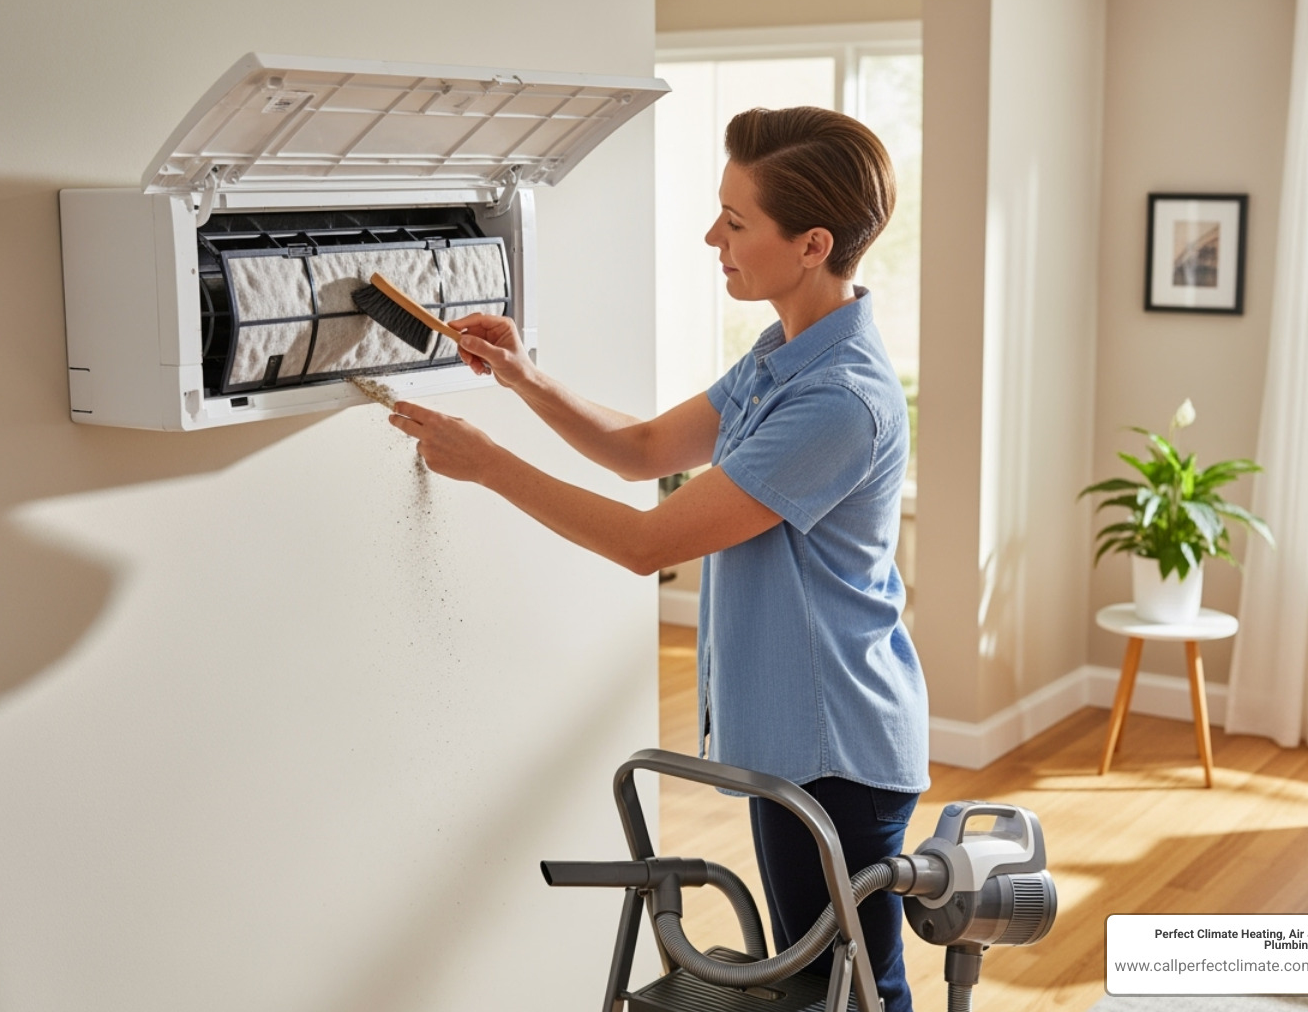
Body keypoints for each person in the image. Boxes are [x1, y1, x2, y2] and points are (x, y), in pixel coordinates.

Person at [387, 106, 928, 1011]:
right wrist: (525, 377)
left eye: (736, 221)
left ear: (812, 244)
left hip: (836, 746)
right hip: (796, 736)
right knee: (815, 984)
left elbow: (647, 545)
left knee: (853, 989)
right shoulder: (780, 357)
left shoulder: (838, 400)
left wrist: (488, 466)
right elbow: (643, 451)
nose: (710, 235)